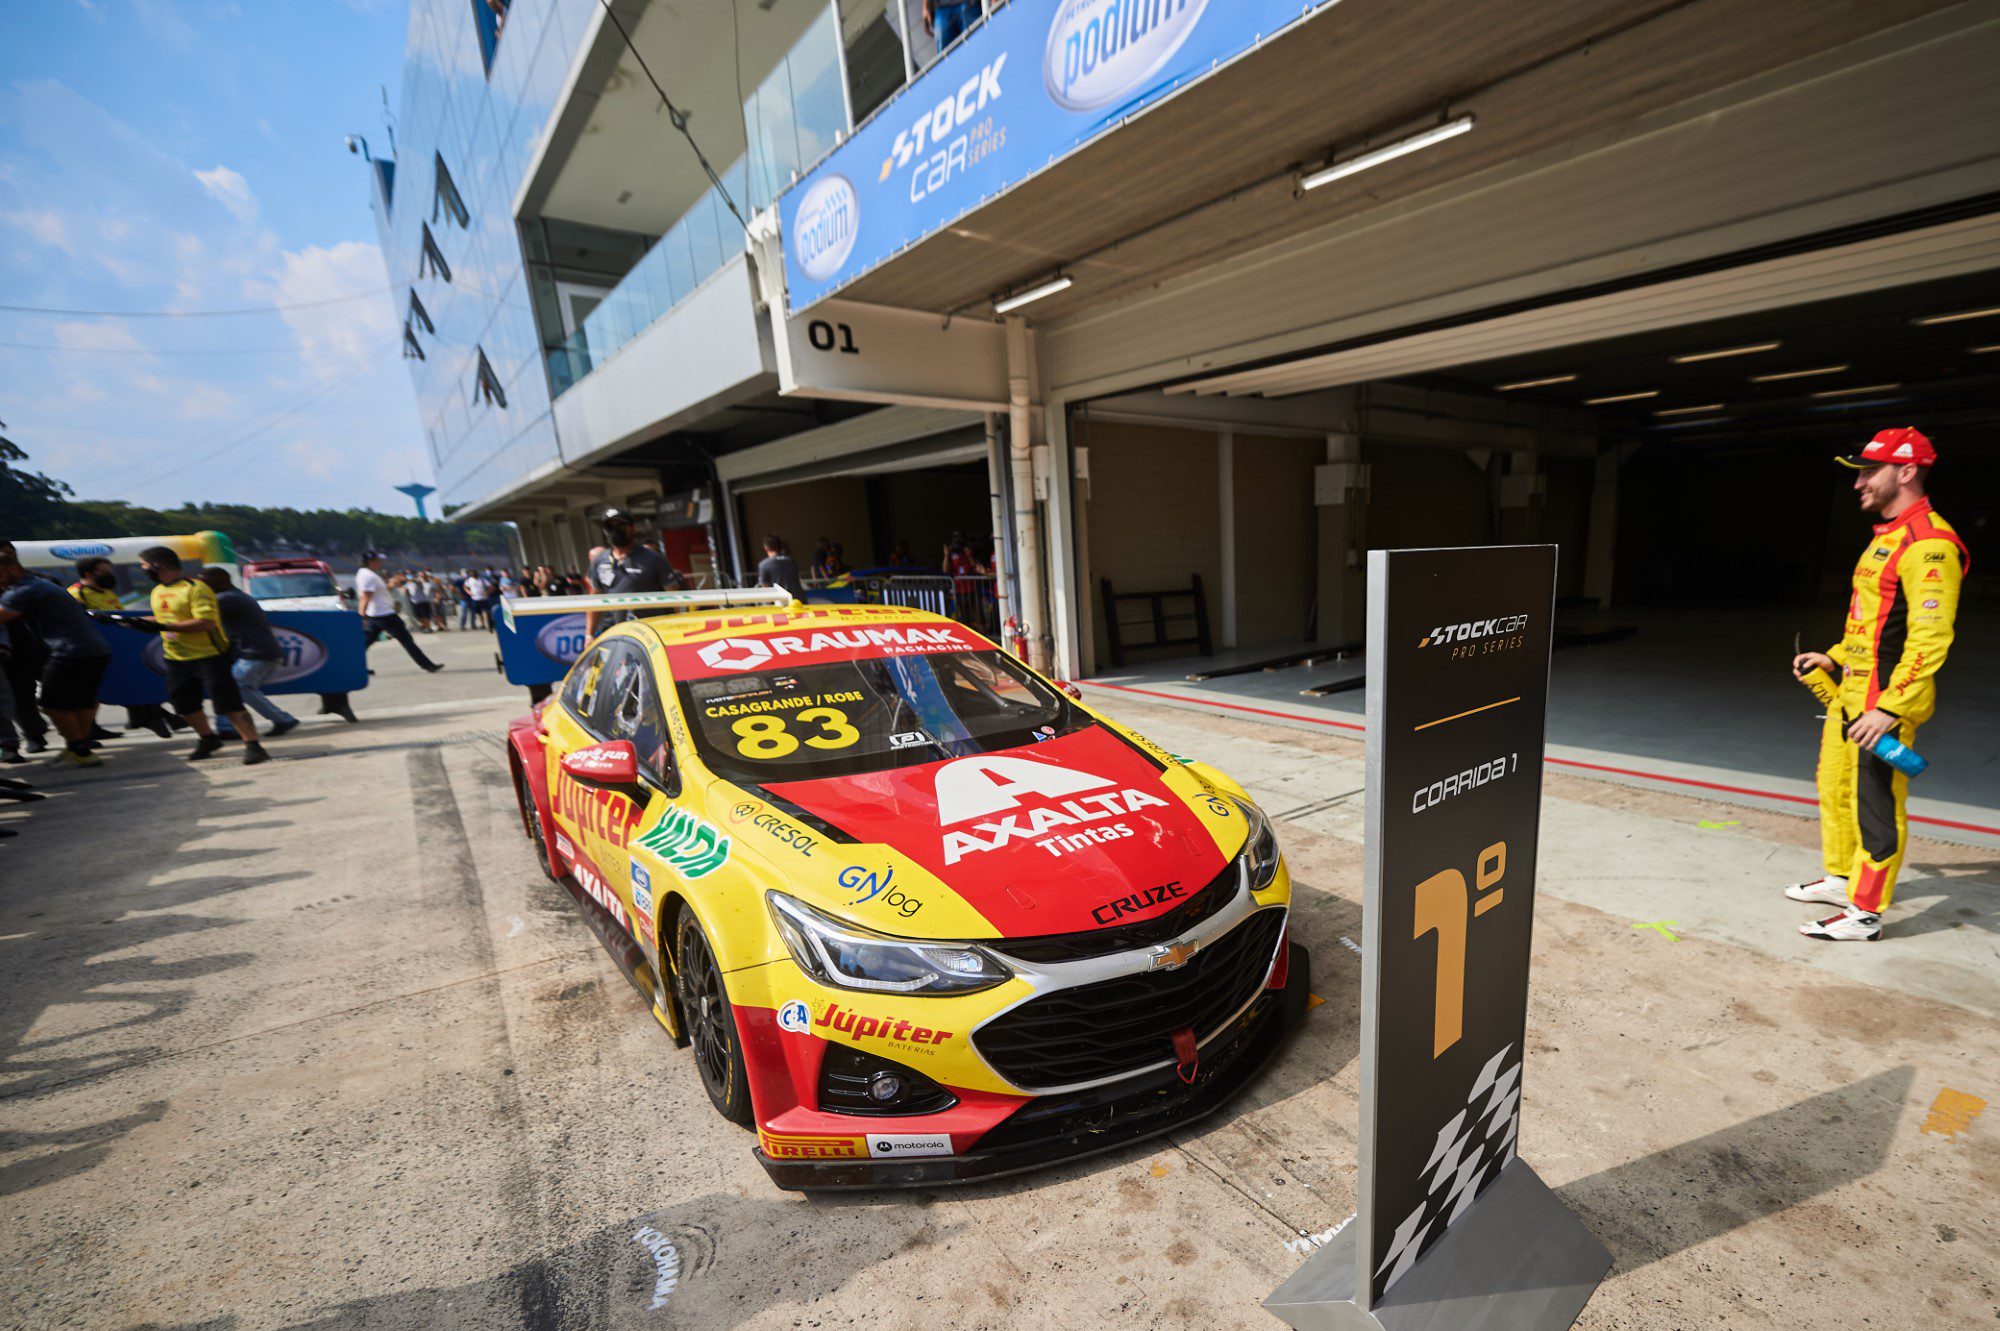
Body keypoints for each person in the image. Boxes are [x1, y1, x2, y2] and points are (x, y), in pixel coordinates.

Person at [1787, 428, 1968, 942]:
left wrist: (1891, 708)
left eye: (1868, 471)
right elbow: (1872, 623)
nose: (1858, 483)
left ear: (1906, 472)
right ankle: (1841, 878)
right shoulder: (1887, 537)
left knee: (1875, 804)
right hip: (1850, 696)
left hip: (1882, 707)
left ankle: (1865, 914)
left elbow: (1930, 639)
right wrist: (1833, 656)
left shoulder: (1929, 545)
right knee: (1835, 788)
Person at [136, 546, 268, 765]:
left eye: (144, 566)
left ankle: (253, 744)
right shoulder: (157, 590)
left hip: (210, 656)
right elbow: (164, 618)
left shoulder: (196, 588)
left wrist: (162, 624)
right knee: (184, 706)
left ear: (157, 566)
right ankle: (208, 739)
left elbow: (206, 623)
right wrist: (135, 622)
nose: (143, 570)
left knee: (229, 704)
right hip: (176, 658)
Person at [0, 550, 113, 768]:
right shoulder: (40, 584)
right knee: (82, 701)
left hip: (71, 651)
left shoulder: (24, 590)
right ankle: (79, 748)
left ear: (13, 569)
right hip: (93, 648)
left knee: (51, 703)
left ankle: (79, 748)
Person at [198, 568, 298, 738]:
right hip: (257, 652)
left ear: (222, 580)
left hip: (257, 653)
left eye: (205, 581)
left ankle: (282, 719)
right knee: (230, 688)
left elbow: (196, 615)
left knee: (239, 687)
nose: (202, 586)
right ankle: (228, 728)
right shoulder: (234, 596)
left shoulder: (225, 599)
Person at [585, 506, 685, 638]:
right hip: (617, 632)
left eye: (621, 525)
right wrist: (589, 635)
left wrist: (678, 630)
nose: (616, 530)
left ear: (632, 528)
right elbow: (595, 599)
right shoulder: (600, 560)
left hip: (653, 633)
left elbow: (674, 597)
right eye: (610, 527)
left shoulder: (653, 558)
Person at [355, 552, 443, 672]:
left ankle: (354, 666)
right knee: (406, 640)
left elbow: (374, 593)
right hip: (384, 614)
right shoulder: (369, 576)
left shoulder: (364, 573)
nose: (380, 562)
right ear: (371, 561)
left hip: (376, 614)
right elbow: (365, 596)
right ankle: (427, 665)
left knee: (365, 642)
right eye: (378, 560)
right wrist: (361, 615)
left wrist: (390, 586)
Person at [756, 534, 806, 602]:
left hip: (782, 603)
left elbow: (765, 588)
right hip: (799, 601)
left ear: (766, 548)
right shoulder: (791, 560)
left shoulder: (764, 564)